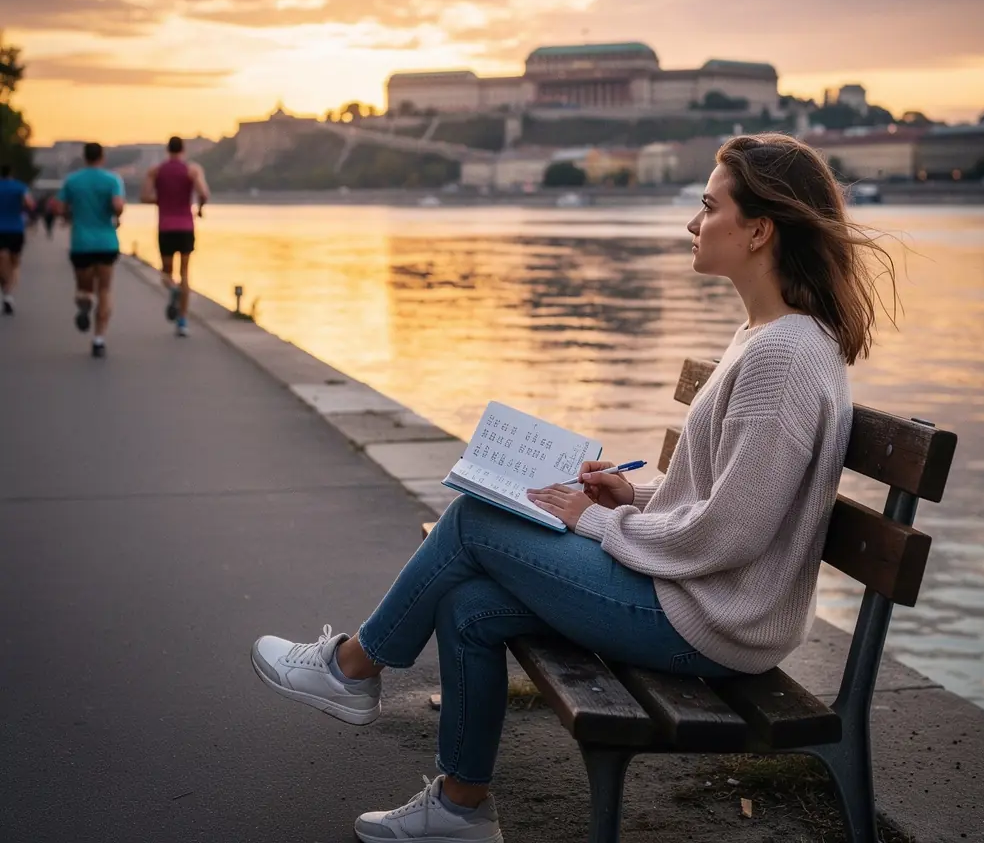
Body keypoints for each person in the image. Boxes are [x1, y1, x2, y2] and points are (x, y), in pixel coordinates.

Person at [251, 132, 895, 843]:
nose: (692, 222)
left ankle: (351, 667)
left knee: (472, 522)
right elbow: (726, 497)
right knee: (467, 604)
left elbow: (733, 534)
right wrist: (631, 498)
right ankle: (460, 810)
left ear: (758, 229)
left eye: (709, 207)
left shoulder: (784, 354)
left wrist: (594, 523)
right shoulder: (767, 336)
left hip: (712, 623)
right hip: (701, 600)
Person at [55, 143, 125, 358]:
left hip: (81, 243)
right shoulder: (113, 180)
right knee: (104, 289)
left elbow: (59, 208)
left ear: (84, 158)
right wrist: (115, 216)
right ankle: (98, 339)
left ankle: (85, 303)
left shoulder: (72, 181)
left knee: (84, 289)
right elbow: (118, 206)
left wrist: (69, 216)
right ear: (102, 157)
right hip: (106, 243)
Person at [140, 135, 209, 338]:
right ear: (183, 150)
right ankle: (182, 322)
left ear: (167, 150)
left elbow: (144, 196)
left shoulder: (156, 171)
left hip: (166, 227)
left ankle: (172, 289)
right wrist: (200, 209)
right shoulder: (192, 170)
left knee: (166, 273)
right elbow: (203, 194)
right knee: (185, 273)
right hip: (186, 226)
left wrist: (161, 200)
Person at [0, 165, 34, 315]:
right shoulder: (20, 187)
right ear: (12, 173)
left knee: (2, 260)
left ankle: (6, 291)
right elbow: (30, 204)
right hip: (15, 228)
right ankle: (8, 292)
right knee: (14, 263)